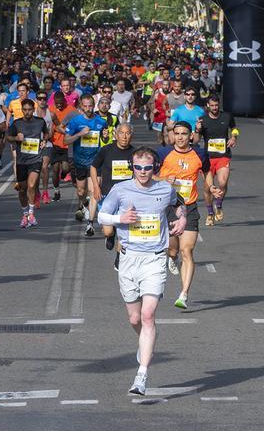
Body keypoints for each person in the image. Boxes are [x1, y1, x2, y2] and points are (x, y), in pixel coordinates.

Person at [97, 147, 188, 396]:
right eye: (138, 167)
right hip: (128, 258)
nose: (143, 172)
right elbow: (101, 216)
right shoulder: (121, 190)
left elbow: (180, 205)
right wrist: (119, 220)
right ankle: (145, 342)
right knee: (135, 319)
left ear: (154, 168)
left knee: (148, 315)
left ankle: (141, 375)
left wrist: (181, 219)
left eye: (148, 168)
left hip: (155, 259)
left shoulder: (164, 189)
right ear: (132, 167)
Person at [157, 122, 210, 310]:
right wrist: (163, 179)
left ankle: (184, 294)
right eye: (176, 133)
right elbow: (147, 176)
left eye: (184, 134)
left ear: (191, 135)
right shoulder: (163, 153)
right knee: (172, 250)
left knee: (186, 251)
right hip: (168, 209)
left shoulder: (199, 154)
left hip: (189, 208)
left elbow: (207, 171)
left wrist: (211, 187)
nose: (180, 137)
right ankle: (171, 258)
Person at [91, 123, 138, 257]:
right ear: (115, 135)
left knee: (123, 231)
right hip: (107, 195)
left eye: (127, 133)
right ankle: (110, 236)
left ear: (132, 136)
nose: (124, 136)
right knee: (108, 231)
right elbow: (94, 167)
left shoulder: (135, 153)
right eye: (121, 133)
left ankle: (119, 257)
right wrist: (95, 186)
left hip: (126, 198)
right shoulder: (106, 150)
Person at [64, 94, 108, 236]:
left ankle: (90, 223)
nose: (88, 109)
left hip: (95, 162)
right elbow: (65, 141)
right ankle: (83, 205)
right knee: (81, 192)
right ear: (81, 106)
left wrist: (106, 137)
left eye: (90, 106)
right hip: (79, 161)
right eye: (86, 106)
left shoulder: (101, 122)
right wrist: (79, 134)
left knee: (94, 190)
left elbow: (104, 138)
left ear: (93, 105)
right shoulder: (76, 122)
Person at [7, 98, 48, 228]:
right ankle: (24, 213)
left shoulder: (40, 122)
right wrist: (16, 138)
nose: (27, 112)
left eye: (30, 110)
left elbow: (47, 133)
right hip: (21, 160)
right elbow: (7, 137)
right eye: (25, 110)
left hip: (35, 158)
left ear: (33, 110)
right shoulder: (17, 123)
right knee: (22, 189)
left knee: (31, 186)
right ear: (22, 110)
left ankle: (31, 213)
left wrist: (44, 140)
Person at [198, 95, 237, 225]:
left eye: (216, 105)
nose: (214, 108)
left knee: (223, 183)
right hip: (208, 158)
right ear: (208, 105)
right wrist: (197, 129)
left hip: (223, 155)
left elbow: (234, 128)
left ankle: (218, 205)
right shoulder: (203, 120)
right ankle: (210, 213)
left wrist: (233, 138)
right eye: (212, 105)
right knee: (208, 188)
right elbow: (196, 139)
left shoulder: (227, 116)